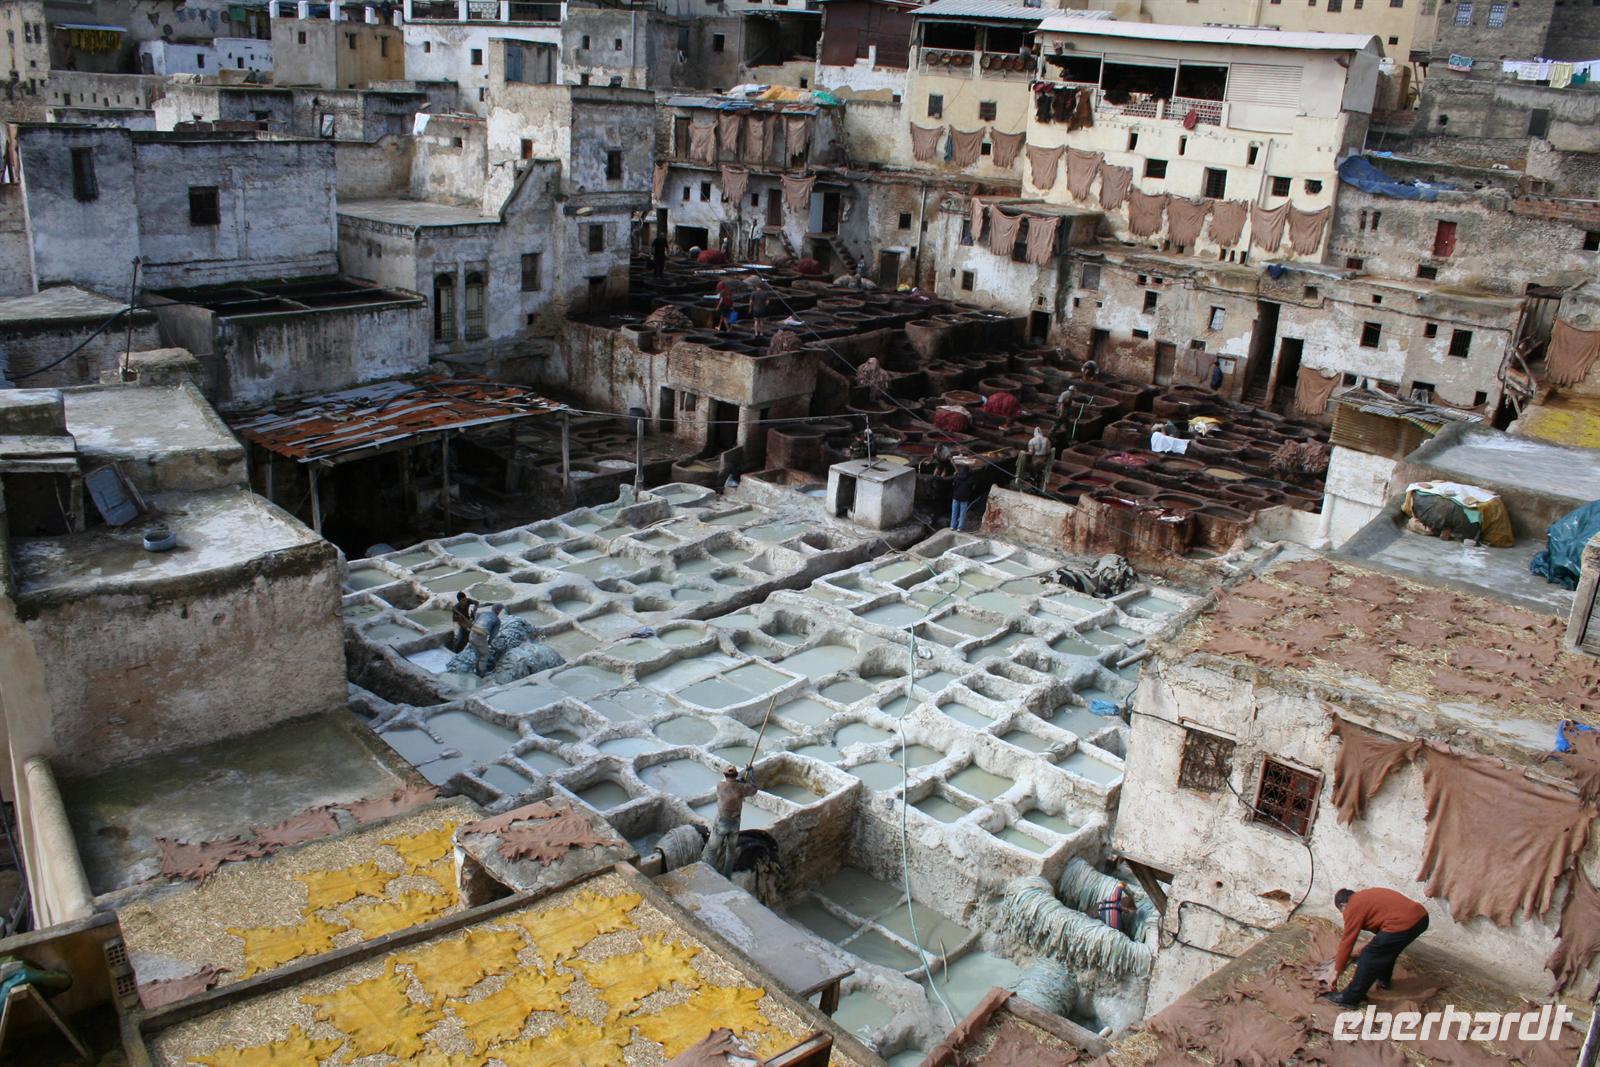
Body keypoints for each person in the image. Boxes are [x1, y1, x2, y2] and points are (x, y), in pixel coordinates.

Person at [1319, 887, 1430, 1007]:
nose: (1344, 915)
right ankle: (1383, 979)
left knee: (1369, 955)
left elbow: (1347, 941)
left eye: (1342, 911)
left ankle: (1350, 998)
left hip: (1403, 923)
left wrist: (1336, 972)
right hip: (1421, 918)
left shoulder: (1352, 906)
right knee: (1387, 949)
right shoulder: (1365, 897)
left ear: (1343, 905)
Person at [702, 766, 759, 875]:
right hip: (735, 824)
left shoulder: (720, 785)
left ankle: (710, 873)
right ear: (736, 775)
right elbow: (754, 789)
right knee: (731, 851)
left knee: (712, 849)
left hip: (721, 823)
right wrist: (751, 774)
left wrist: (740, 781)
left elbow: (731, 785)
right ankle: (727, 875)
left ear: (725, 775)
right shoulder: (742, 788)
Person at [469, 603, 503, 677]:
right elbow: (493, 635)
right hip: (479, 637)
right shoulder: (497, 620)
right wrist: (490, 643)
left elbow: (475, 622)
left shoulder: (484, 613)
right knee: (485, 655)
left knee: (477, 654)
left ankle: (476, 670)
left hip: (471, 634)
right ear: (499, 611)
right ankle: (481, 673)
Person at [950, 457, 981, 531]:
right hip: (964, 497)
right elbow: (973, 487)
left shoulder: (957, 476)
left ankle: (952, 526)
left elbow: (953, 485)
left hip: (956, 496)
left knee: (954, 512)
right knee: (962, 512)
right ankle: (960, 527)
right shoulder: (970, 478)